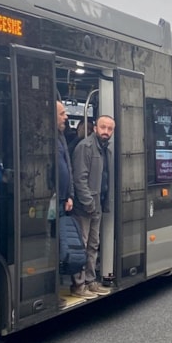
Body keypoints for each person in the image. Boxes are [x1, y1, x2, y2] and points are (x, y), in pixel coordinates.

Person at [71, 115, 115, 298]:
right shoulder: (85, 147)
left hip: (97, 205)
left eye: (110, 129)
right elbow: (79, 179)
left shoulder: (107, 150)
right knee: (81, 246)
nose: (106, 132)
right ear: (95, 128)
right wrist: (89, 203)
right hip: (85, 207)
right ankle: (78, 285)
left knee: (93, 245)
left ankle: (90, 281)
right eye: (103, 127)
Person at [54, 101, 77, 306]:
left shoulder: (60, 137)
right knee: (51, 246)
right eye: (62, 114)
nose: (66, 117)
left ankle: (54, 289)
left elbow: (67, 167)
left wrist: (70, 195)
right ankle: (51, 292)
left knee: (59, 245)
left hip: (62, 201)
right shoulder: (44, 137)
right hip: (50, 201)